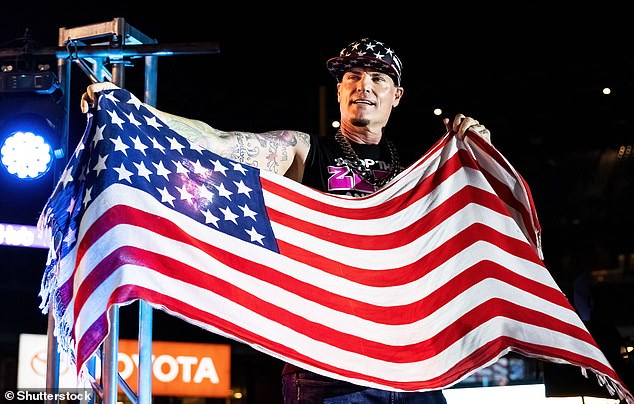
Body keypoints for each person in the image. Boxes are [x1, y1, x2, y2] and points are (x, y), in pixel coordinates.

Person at [81, 37, 492, 404]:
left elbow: (475, 223)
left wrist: (480, 153)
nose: (363, 85)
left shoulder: (419, 172)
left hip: (411, 373)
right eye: (352, 76)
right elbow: (218, 141)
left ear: (396, 95)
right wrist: (131, 109)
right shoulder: (303, 152)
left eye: (377, 78)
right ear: (339, 89)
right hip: (327, 371)